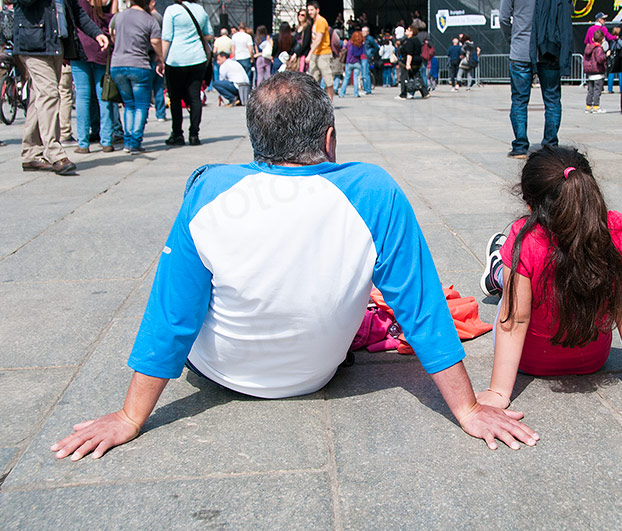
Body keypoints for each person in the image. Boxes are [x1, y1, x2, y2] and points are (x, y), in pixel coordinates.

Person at [50, 72, 540, 461]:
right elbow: (422, 308)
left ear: (255, 143)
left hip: (221, 370)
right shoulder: (373, 191)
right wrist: (468, 408)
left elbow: (171, 315)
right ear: (329, 139)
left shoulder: (210, 190)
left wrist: (129, 417)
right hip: (316, 372)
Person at [478, 146, 622, 413]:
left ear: (529, 204)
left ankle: (497, 271)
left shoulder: (525, 239)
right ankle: (501, 270)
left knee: (511, 278)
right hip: (593, 361)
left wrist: (499, 392)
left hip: (530, 362)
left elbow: (515, 319)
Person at [14, 0, 109, 175]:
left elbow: (77, 12)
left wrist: (96, 33)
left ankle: (31, 153)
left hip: (55, 45)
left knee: (39, 96)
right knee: (49, 95)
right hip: (33, 44)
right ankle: (54, 152)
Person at [109, 0, 163, 155]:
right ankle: (135, 142)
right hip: (139, 64)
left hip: (117, 65)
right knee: (141, 105)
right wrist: (160, 57)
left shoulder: (118, 17)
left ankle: (127, 141)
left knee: (129, 104)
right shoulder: (149, 19)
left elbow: (113, 35)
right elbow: (155, 41)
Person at [161, 0, 213, 147]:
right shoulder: (201, 10)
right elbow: (209, 34)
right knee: (195, 97)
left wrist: (162, 60)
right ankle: (194, 134)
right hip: (197, 58)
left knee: (175, 98)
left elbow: (166, 37)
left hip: (175, 59)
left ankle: (177, 134)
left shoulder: (172, 10)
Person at [72, 0, 117, 153]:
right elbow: (113, 22)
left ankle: (83, 143)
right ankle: (106, 141)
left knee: (82, 96)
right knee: (104, 95)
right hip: (102, 47)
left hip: (81, 47)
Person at [529, 0, 573, 147]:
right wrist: (565, 61)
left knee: (546, 99)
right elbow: (566, 29)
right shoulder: (563, 3)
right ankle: (550, 141)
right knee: (552, 100)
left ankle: (542, 142)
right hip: (553, 51)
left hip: (540, 51)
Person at [500, 0, 534, 158]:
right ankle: (551, 144)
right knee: (552, 99)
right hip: (545, 47)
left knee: (519, 100)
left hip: (520, 49)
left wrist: (512, 39)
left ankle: (520, 146)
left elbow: (503, 18)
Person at [306, 1, 334, 100]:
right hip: (316, 54)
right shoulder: (314, 22)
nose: (310, 12)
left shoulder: (321, 21)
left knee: (328, 80)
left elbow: (318, 40)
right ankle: (315, 103)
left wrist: (309, 54)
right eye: (308, 10)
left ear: (317, 10)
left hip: (323, 54)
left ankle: (330, 101)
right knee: (313, 80)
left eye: (312, 10)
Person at [397, 25, 429, 100]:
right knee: (417, 77)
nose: (406, 31)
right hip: (417, 61)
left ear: (411, 32)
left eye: (407, 30)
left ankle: (403, 94)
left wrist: (408, 64)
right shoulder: (417, 40)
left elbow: (409, 53)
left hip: (410, 61)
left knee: (404, 77)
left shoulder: (410, 41)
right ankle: (425, 93)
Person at [583, 30, 608, 113]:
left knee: (590, 90)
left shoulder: (588, 48)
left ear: (593, 39)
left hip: (590, 72)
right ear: (602, 40)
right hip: (598, 72)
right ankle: (596, 106)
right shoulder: (599, 49)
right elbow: (600, 59)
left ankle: (588, 106)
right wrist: (606, 55)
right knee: (597, 90)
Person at [339, 29, 363, 97]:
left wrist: (344, 45)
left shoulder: (349, 42)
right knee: (355, 78)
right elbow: (363, 52)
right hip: (357, 62)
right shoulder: (360, 44)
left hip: (349, 62)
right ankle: (356, 93)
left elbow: (344, 48)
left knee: (346, 78)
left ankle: (342, 93)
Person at [361, 25, 377, 94]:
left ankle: (368, 89)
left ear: (368, 32)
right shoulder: (361, 38)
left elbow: (376, 47)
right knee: (363, 74)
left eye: (364, 31)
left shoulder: (369, 39)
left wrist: (371, 53)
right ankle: (365, 88)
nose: (363, 33)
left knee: (366, 74)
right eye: (362, 31)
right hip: (361, 57)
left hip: (366, 57)